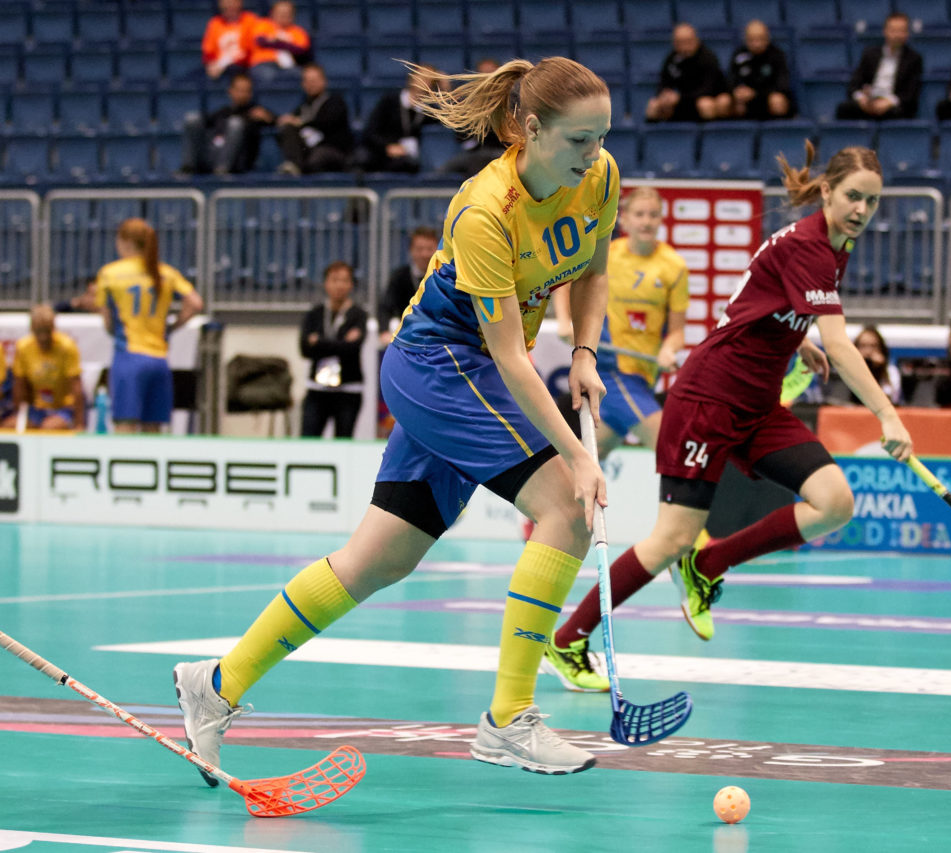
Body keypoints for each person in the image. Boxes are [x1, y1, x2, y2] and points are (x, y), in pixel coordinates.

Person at [172, 55, 619, 779]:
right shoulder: (485, 209)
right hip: (440, 366)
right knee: (565, 502)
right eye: (578, 140)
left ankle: (215, 683)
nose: (594, 154)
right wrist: (577, 454)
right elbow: (507, 358)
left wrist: (589, 350)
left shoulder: (596, 177)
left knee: (379, 558)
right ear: (531, 130)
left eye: (602, 137)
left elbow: (593, 265)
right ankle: (509, 718)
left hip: (468, 373)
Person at [543, 141, 913, 691]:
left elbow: (759, 305)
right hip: (709, 401)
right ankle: (568, 640)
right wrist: (887, 413)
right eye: (853, 197)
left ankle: (709, 564)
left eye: (872, 202)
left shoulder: (836, 244)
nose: (861, 210)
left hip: (758, 402)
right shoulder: (812, 245)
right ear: (827, 192)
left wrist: (796, 334)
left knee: (834, 501)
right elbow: (841, 343)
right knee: (670, 537)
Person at [551, 186, 688, 459]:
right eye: (639, 214)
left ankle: (554, 499)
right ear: (624, 218)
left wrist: (669, 349)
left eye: (653, 215)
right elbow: (563, 280)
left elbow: (676, 332)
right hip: (609, 371)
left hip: (644, 376)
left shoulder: (675, 266)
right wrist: (565, 321)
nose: (646, 221)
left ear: (661, 219)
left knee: (590, 456)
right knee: (673, 450)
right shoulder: (606, 254)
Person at [94, 219, 204, 434]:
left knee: (125, 425)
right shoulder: (166, 272)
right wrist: (172, 327)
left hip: (129, 357)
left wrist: (113, 328)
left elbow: (108, 322)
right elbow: (196, 303)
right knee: (153, 430)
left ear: (124, 242)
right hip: (159, 359)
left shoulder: (110, 273)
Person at [299, 261, 368, 438]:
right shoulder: (315, 314)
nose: (339, 285)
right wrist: (341, 343)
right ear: (326, 283)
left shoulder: (358, 315)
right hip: (317, 389)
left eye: (344, 280)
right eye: (334, 280)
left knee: (343, 442)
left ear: (351, 284)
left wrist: (319, 342)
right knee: (308, 439)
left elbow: (353, 348)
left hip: (348, 390)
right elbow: (305, 349)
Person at [0, 305, 85, 431]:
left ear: (53, 328)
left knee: (49, 428)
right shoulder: (23, 347)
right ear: (32, 329)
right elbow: (19, 386)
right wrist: (20, 416)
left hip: (63, 408)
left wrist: (79, 424)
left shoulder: (67, 347)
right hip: (36, 409)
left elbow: (76, 387)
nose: (43, 337)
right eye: (39, 332)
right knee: (9, 427)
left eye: (47, 331)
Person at [180, 72, 275, 175]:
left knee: (236, 123)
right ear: (230, 91)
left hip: (236, 163)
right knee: (192, 118)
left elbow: (277, 121)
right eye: (239, 90)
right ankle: (188, 167)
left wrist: (269, 118)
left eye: (247, 91)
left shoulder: (256, 113)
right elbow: (205, 123)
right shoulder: (223, 112)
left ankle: (222, 169)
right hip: (212, 155)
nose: (243, 94)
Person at [836, 13, 923, 121]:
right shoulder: (870, 54)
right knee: (844, 108)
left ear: (907, 34)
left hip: (892, 106)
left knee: (898, 113)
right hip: (869, 102)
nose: (897, 35)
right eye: (893, 30)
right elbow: (854, 86)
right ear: (885, 31)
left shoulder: (914, 58)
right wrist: (862, 99)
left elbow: (910, 93)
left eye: (901, 31)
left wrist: (888, 102)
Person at [275, 63, 354, 175]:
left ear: (324, 81)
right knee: (288, 128)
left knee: (317, 158)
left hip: (332, 149)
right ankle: (294, 167)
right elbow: (291, 120)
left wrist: (300, 122)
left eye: (314, 80)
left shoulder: (335, 101)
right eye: (307, 81)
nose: (310, 84)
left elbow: (327, 121)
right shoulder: (304, 106)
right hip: (309, 150)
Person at [646, 23, 729, 122]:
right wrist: (665, 95)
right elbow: (664, 83)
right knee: (653, 105)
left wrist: (680, 98)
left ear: (696, 40)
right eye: (680, 43)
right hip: (680, 101)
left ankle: (709, 136)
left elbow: (707, 90)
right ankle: (655, 137)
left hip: (700, 99)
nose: (684, 47)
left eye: (688, 41)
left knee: (705, 104)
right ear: (674, 44)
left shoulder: (708, 58)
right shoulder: (672, 59)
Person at [357, 72, 430, 174]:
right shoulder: (389, 101)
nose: (426, 81)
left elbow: (448, 122)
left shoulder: (429, 111)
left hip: (408, 159)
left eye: (431, 79)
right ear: (411, 79)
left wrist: (445, 90)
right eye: (423, 77)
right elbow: (371, 132)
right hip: (381, 151)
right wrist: (387, 147)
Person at [721, 20, 794, 120]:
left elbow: (782, 86)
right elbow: (730, 80)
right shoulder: (739, 55)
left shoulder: (777, 55)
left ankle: (779, 132)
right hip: (745, 101)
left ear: (767, 38)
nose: (756, 44)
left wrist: (756, 93)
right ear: (745, 40)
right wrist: (736, 92)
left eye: (760, 39)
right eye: (752, 40)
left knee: (777, 100)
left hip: (766, 98)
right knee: (725, 101)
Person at [379, 226, 438, 345]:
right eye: (419, 249)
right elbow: (385, 307)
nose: (425, 254)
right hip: (407, 337)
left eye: (429, 249)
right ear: (411, 251)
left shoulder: (445, 278)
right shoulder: (399, 276)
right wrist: (384, 331)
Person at [825, 325, 902, 405]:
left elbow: (890, 400)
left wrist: (880, 371)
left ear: (881, 348)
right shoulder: (847, 370)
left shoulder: (891, 372)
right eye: (863, 346)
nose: (868, 352)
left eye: (873, 346)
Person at [246, 0, 311, 85]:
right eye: (280, 12)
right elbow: (261, 41)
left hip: (289, 66)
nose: (283, 15)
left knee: (300, 75)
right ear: (272, 13)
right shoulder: (264, 24)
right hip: (263, 63)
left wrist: (276, 42)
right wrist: (286, 44)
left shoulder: (298, 31)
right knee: (267, 76)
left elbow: (300, 50)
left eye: (287, 13)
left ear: (293, 15)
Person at [201, 0, 256, 81]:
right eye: (226, 3)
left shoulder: (250, 20)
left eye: (232, 2)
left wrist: (223, 64)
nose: (229, 6)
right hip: (218, 65)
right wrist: (211, 65)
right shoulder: (215, 23)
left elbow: (251, 50)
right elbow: (208, 51)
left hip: (242, 65)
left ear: (240, 3)